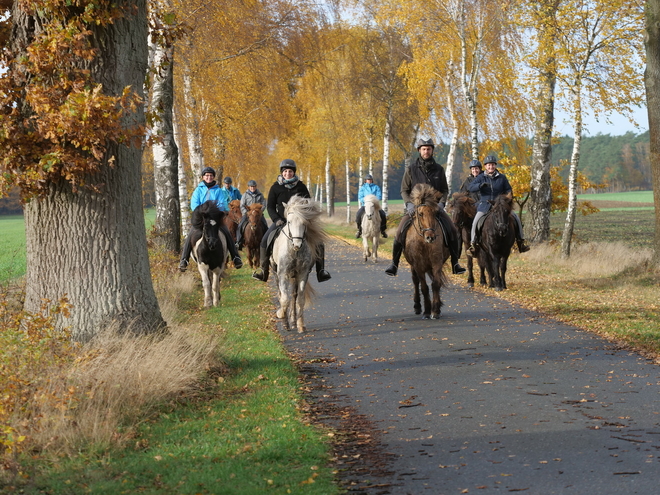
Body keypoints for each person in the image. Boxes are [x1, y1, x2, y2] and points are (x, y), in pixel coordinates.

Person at [385, 138, 467, 276]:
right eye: (423, 149)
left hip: (434, 209)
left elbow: (445, 190)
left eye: (429, 149)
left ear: (432, 151)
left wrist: (441, 203)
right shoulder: (411, 169)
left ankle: (455, 263)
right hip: (415, 208)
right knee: (399, 232)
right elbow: (404, 190)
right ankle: (394, 263)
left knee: (452, 229)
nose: (426, 151)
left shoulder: (439, 169)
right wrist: (409, 204)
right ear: (419, 151)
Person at [252, 159, 331, 283]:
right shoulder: (275, 187)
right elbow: (270, 207)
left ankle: (321, 271)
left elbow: (308, 204)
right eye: (285, 171)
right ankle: (263, 271)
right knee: (264, 240)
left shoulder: (301, 187)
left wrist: (306, 217)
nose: (287, 173)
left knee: (319, 242)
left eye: (290, 171)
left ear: (293, 173)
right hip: (281, 221)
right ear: (282, 173)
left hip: (299, 222)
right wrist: (276, 219)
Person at [179, 167, 243, 271]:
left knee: (226, 232)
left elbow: (222, 204)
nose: (209, 177)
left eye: (211, 175)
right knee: (192, 233)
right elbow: (194, 205)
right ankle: (184, 259)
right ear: (203, 177)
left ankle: (235, 257)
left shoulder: (218, 190)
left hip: (215, 218)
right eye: (207, 175)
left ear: (213, 177)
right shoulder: (198, 190)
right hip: (202, 218)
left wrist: (214, 212)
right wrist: (203, 211)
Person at [467, 155, 530, 254]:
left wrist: (507, 199)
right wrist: (480, 185)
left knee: (516, 218)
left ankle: (521, 242)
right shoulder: (480, 177)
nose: (490, 167)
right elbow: (470, 187)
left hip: (500, 205)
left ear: (495, 166)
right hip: (485, 204)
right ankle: (473, 244)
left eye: (492, 165)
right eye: (488, 165)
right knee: (476, 222)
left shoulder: (502, 178)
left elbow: (509, 190)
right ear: (485, 166)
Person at [235, 179, 267, 250]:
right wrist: (246, 213)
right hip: (248, 215)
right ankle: (239, 241)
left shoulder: (260, 195)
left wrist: (260, 212)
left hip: (258, 215)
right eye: (251, 187)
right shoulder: (245, 195)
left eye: (254, 186)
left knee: (265, 225)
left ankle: (266, 241)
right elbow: (242, 205)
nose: (252, 188)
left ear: (256, 187)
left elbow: (264, 204)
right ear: (248, 187)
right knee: (240, 225)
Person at [355, 174, 388, 239]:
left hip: (374, 205)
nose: (369, 181)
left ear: (372, 180)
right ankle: (359, 230)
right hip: (365, 205)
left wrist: (374, 201)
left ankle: (383, 231)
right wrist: (367, 202)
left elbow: (379, 196)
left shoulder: (376, 187)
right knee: (358, 215)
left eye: (370, 179)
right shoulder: (362, 188)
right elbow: (360, 197)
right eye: (368, 180)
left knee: (383, 214)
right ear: (365, 180)